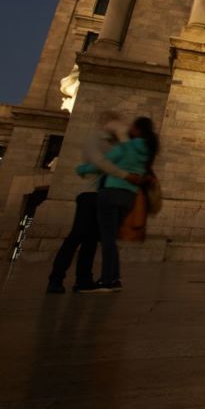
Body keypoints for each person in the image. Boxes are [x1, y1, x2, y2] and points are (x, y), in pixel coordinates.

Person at [46, 113, 138, 294]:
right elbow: (101, 163)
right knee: (77, 236)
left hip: (107, 196)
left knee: (91, 240)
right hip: (90, 194)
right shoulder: (95, 140)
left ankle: (84, 279)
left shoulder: (116, 144)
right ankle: (56, 278)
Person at [77, 116, 158, 293]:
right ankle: (114, 278)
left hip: (111, 192)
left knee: (107, 239)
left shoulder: (127, 147)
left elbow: (103, 163)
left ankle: (107, 280)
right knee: (111, 238)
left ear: (137, 130)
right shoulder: (148, 151)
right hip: (129, 196)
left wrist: (82, 169)